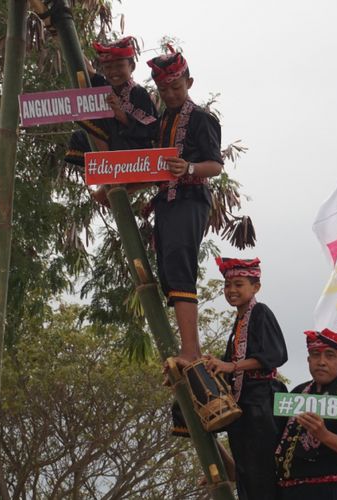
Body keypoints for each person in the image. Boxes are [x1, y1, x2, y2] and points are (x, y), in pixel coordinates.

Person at [146, 48, 224, 362]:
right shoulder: (160, 119)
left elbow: (215, 166)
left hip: (191, 199)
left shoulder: (203, 118)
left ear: (189, 83)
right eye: (164, 90)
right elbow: (151, 166)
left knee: (180, 265)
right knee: (167, 270)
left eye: (176, 88)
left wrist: (188, 168)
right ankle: (184, 349)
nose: (170, 94)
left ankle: (191, 351)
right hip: (166, 201)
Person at [204, 257, 288, 500]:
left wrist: (230, 365)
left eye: (238, 284)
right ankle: (231, 471)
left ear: (255, 287)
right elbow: (229, 363)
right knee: (247, 467)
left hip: (261, 401)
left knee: (259, 469)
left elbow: (274, 354)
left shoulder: (260, 312)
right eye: (227, 285)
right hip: (245, 402)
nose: (231, 291)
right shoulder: (240, 320)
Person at [274, 324, 337, 500]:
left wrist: (324, 435)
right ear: (308, 360)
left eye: (330, 355)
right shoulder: (298, 392)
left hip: (328, 492)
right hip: (286, 492)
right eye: (315, 355)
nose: (321, 362)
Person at [64, 35, 158, 167]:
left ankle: (109, 166)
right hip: (112, 141)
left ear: (132, 66)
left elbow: (151, 130)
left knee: (92, 118)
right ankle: (105, 169)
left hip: (134, 151)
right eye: (108, 67)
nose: (114, 72)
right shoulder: (105, 86)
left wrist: (121, 115)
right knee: (80, 134)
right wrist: (63, 38)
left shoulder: (139, 93)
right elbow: (89, 71)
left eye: (120, 66)